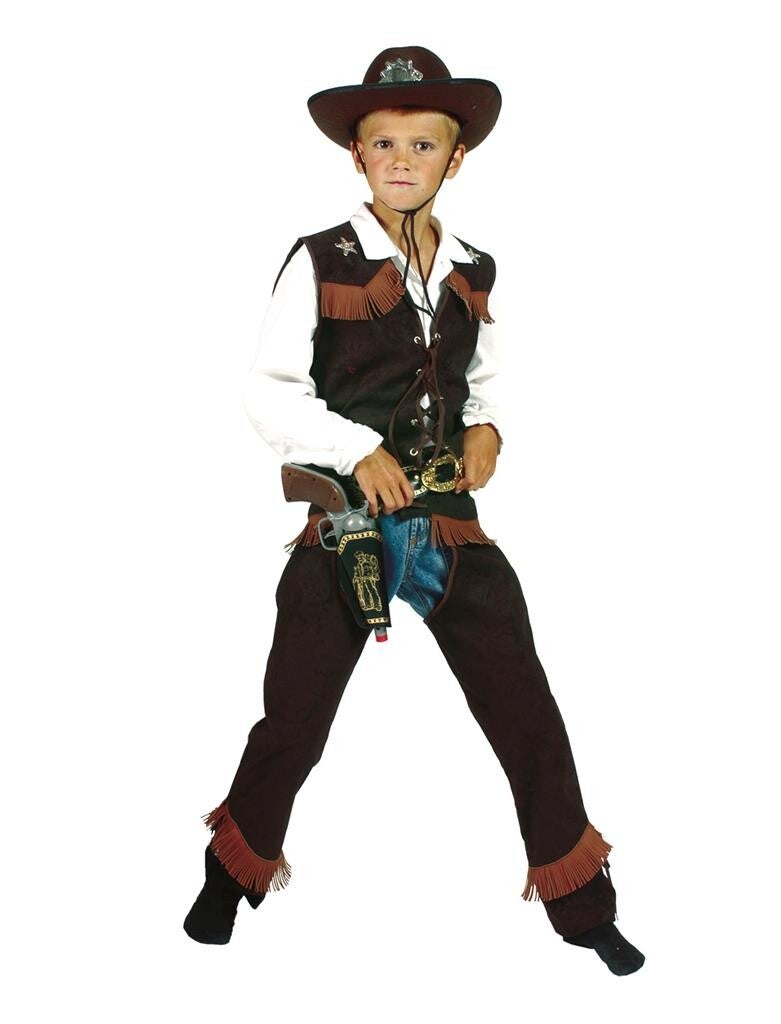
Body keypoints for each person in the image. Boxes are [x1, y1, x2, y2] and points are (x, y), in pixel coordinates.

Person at [183, 45, 645, 976]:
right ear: (356, 154)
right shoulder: (320, 258)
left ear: (455, 158)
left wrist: (489, 429)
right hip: (346, 527)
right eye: (383, 142)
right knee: (294, 720)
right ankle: (227, 879)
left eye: (422, 144)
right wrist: (357, 448)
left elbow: (486, 378)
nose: (402, 159)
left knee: (524, 709)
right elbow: (269, 391)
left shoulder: (473, 267)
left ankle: (582, 907)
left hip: (448, 525)